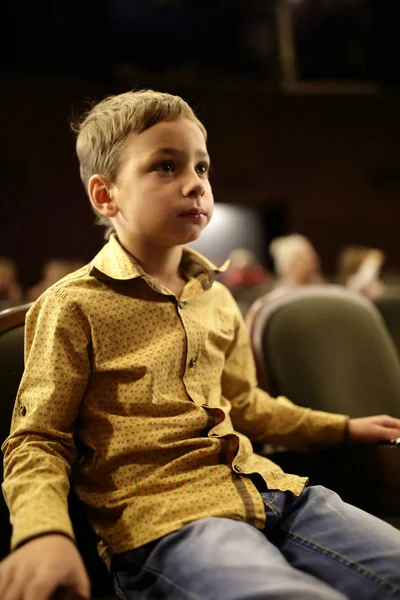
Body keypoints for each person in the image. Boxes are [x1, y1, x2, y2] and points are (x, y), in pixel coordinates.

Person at [1, 90, 400, 600]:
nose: (196, 184)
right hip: (169, 521)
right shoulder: (73, 304)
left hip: (272, 492)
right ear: (106, 196)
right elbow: (38, 440)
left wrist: (343, 427)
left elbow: (249, 407)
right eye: (166, 167)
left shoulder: (218, 299)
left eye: (203, 167)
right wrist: (41, 532)